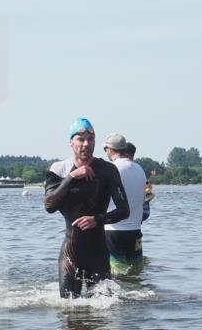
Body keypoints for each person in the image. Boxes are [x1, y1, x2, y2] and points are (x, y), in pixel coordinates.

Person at [43, 118, 130, 298]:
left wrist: (97, 219)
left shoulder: (108, 170)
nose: (86, 144)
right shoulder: (59, 169)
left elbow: (124, 210)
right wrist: (72, 177)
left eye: (90, 140)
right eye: (81, 140)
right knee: (69, 308)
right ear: (71, 142)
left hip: (98, 253)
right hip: (71, 253)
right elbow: (49, 205)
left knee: (104, 313)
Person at [103, 134, 147, 275]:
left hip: (113, 231)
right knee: (135, 275)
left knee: (116, 276)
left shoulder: (110, 168)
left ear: (109, 149)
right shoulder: (140, 169)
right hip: (135, 232)